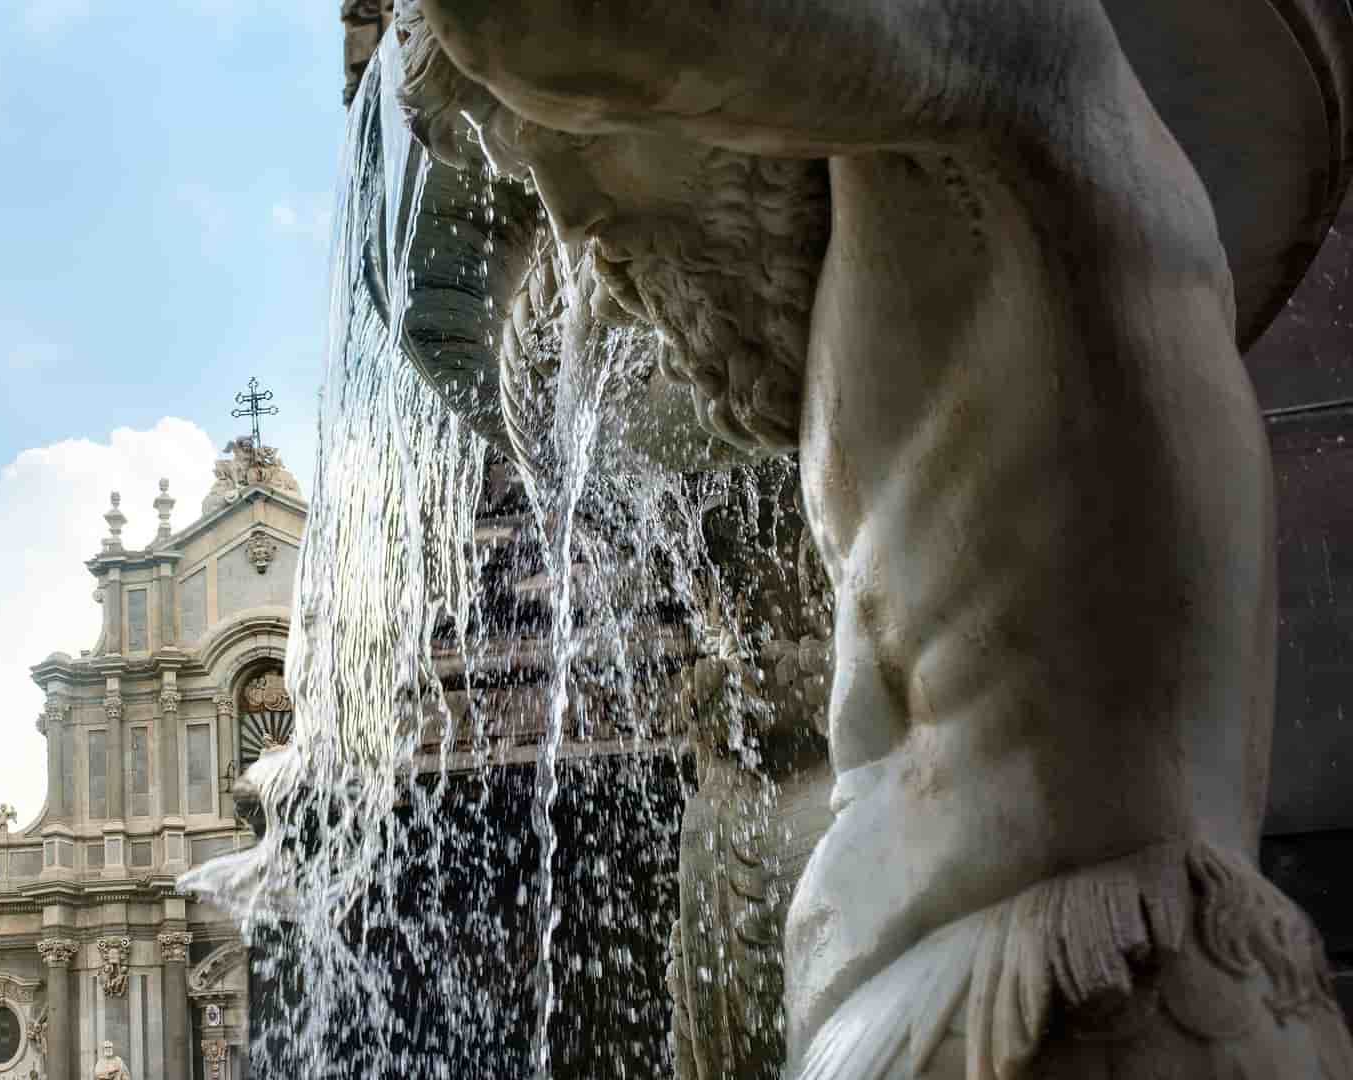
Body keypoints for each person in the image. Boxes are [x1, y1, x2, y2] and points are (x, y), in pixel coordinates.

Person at [395, 1, 1353, 1074]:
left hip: (1081, 981)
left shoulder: (1033, 100)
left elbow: (553, 25)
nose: (575, 228)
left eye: (579, 142)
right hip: (997, 990)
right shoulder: (900, 315)